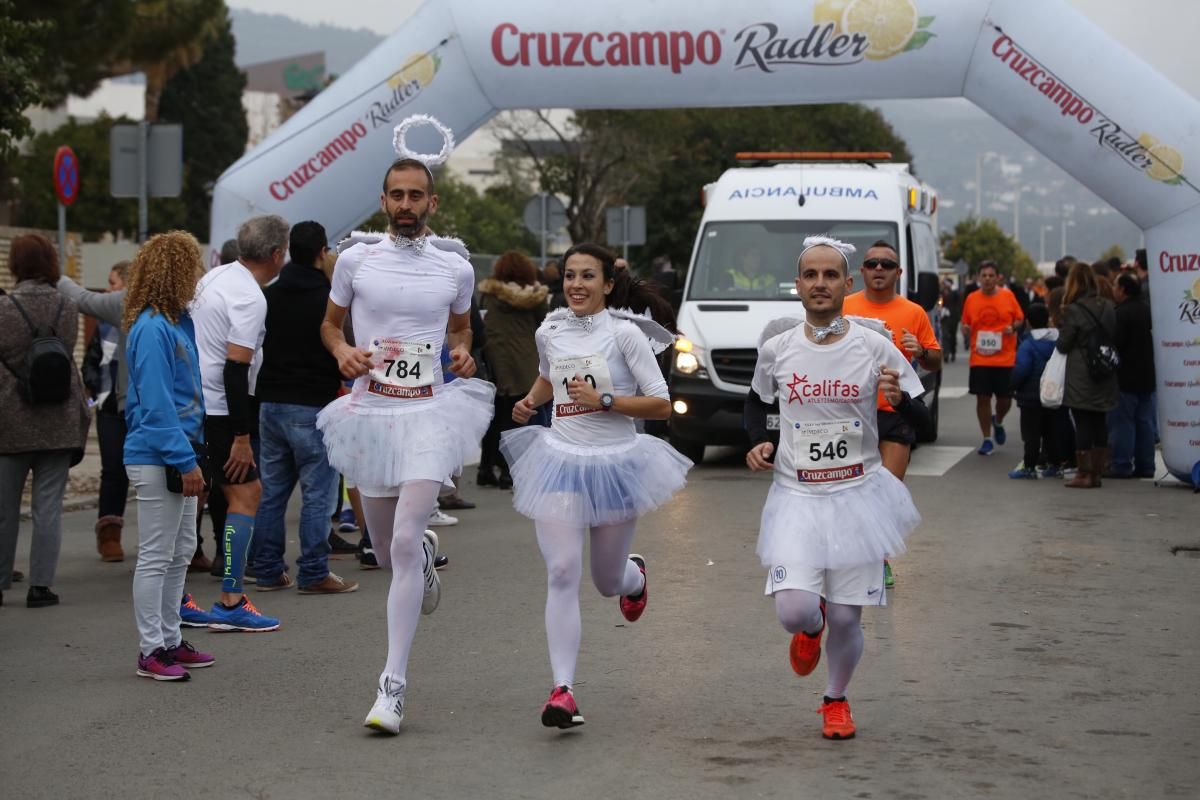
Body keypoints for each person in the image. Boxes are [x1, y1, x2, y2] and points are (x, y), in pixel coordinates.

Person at [318, 151, 494, 735]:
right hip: (370, 412)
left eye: (416, 196)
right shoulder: (354, 261)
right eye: (396, 196)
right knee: (390, 551)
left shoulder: (454, 269)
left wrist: (464, 352)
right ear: (384, 201)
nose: (405, 206)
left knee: (404, 532)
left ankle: (391, 686)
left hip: (430, 414)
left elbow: (462, 330)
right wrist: (343, 351)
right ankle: (417, 557)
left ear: (432, 203)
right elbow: (329, 324)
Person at [501, 242, 689, 729]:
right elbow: (549, 379)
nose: (577, 285)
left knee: (605, 582)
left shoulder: (625, 335)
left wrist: (607, 399)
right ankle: (563, 689)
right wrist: (528, 402)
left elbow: (661, 404)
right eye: (569, 276)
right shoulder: (551, 329)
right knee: (562, 572)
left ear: (607, 284)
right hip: (559, 459)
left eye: (588, 276)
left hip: (615, 463)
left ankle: (633, 577)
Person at [743, 236, 923, 741]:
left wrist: (899, 401)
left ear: (848, 283)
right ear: (797, 285)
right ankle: (809, 626)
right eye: (810, 275)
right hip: (795, 495)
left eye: (830, 275)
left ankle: (836, 699)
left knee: (848, 619)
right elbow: (757, 404)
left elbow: (921, 416)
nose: (820, 283)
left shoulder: (873, 345)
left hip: (856, 495)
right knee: (795, 610)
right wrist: (758, 441)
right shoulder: (778, 347)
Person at [123, 231, 216, 680]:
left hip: (173, 451)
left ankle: (169, 639)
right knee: (158, 554)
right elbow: (158, 407)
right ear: (176, 271)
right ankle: (151, 649)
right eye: (193, 267)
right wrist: (186, 460)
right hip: (159, 453)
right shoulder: (153, 328)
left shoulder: (173, 323)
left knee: (178, 550)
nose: (197, 277)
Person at [191, 214, 288, 631]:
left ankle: (175, 596)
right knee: (247, 496)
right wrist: (242, 435)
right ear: (276, 254)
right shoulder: (250, 297)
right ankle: (231, 599)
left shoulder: (215, 277)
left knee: (192, 498)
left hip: (196, 403)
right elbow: (235, 368)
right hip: (221, 408)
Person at [251, 221, 357, 595]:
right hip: (313, 403)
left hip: (270, 403)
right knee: (318, 494)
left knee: (272, 492)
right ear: (321, 252)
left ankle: (266, 568)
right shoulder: (328, 300)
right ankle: (313, 571)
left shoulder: (269, 295)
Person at [842, 241, 940, 588]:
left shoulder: (914, 312)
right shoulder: (845, 307)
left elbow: (934, 360)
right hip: (852, 413)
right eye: (872, 263)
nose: (879, 268)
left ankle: (879, 556)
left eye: (887, 264)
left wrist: (923, 351)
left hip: (896, 412)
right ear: (862, 271)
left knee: (887, 489)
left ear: (899, 273)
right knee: (851, 488)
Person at [0, 234, 90, 609]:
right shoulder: (68, 306)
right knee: (48, 506)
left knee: (4, 508)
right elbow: (65, 351)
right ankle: (40, 587)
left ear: (15, 264)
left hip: (10, 418)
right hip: (59, 416)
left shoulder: (4, 308)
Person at [64, 261, 139, 563]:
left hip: (141, 407)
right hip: (109, 408)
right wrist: (95, 387)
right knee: (113, 472)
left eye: (112, 283)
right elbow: (91, 361)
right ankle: (109, 534)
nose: (108, 290)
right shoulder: (106, 322)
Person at [478, 250, 548, 489]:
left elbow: (484, 325)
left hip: (498, 360)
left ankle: (485, 468)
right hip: (527, 361)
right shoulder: (536, 298)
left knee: (496, 417)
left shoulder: (490, 295)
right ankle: (511, 470)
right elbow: (544, 325)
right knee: (521, 417)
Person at [1056, 262, 1118, 488]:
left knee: (1082, 421)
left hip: (1082, 373)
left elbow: (1063, 344)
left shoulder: (1074, 310)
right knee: (1100, 420)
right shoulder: (1109, 306)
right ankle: (1098, 472)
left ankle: (1084, 473)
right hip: (1104, 369)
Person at [961, 261, 1025, 455]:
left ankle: (998, 421)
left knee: (1005, 399)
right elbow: (965, 323)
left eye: (991, 275)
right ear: (979, 278)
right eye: (984, 275)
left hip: (1005, 357)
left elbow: (1020, 319)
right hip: (980, 358)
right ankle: (986, 438)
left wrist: (1012, 327)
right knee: (982, 398)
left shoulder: (1008, 296)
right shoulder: (972, 298)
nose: (987, 279)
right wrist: (965, 329)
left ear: (998, 278)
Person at [1107, 273, 1156, 478]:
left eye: (1115, 286)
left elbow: (1115, 346)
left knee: (1122, 423)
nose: (1113, 290)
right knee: (1145, 422)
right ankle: (1146, 466)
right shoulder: (1148, 310)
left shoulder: (1120, 314)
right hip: (1148, 376)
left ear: (1123, 290)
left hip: (1126, 378)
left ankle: (1121, 464)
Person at [1007, 304, 1061, 479]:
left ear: (1028, 322)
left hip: (1031, 397)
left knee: (1031, 435)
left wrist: (1012, 385)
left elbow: (1021, 370)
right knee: (1051, 432)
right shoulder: (1057, 341)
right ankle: (1054, 464)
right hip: (1053, 394)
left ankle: (1029, 466)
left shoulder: (1028, 345)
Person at [940, 280, 962, 363]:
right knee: (945, 335)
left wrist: (957, 314)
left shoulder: (955, 293)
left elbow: (959, 303)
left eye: (947, 284)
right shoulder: (941, 293)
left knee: (952, 336)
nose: (945, 286)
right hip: (944, 317)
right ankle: (946, 353)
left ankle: (953, 352)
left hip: (953, 318)